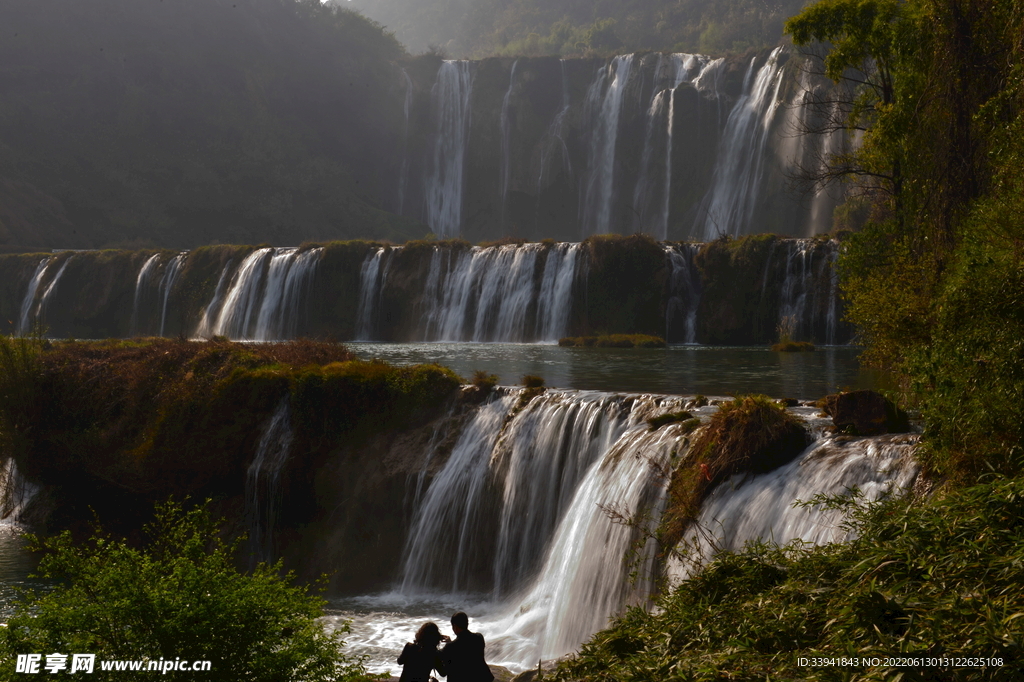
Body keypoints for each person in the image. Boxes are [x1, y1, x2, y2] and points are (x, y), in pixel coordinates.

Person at [439, 612, 494, 682]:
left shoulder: (450, 647)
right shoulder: (479, 638)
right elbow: (464, 647)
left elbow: (443, 670)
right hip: (482, 678)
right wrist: (450, 642)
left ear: (455, 626)